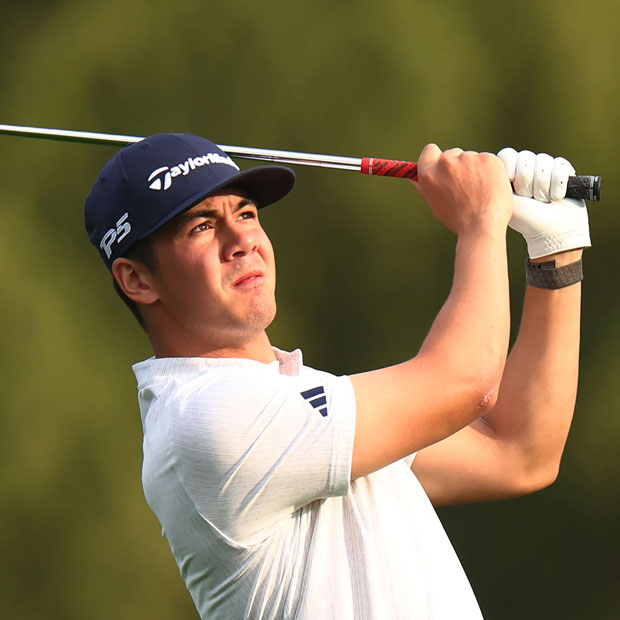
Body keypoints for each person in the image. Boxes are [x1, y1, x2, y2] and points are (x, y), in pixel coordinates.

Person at [84, 133, 590, 619]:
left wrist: (555, 250)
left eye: (246, 213)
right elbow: (466, 381)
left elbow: (517, 452)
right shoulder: (205, 418)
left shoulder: (300, 399)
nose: (242, 240)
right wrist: (482, 220)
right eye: (201, 226)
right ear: (137, 278)